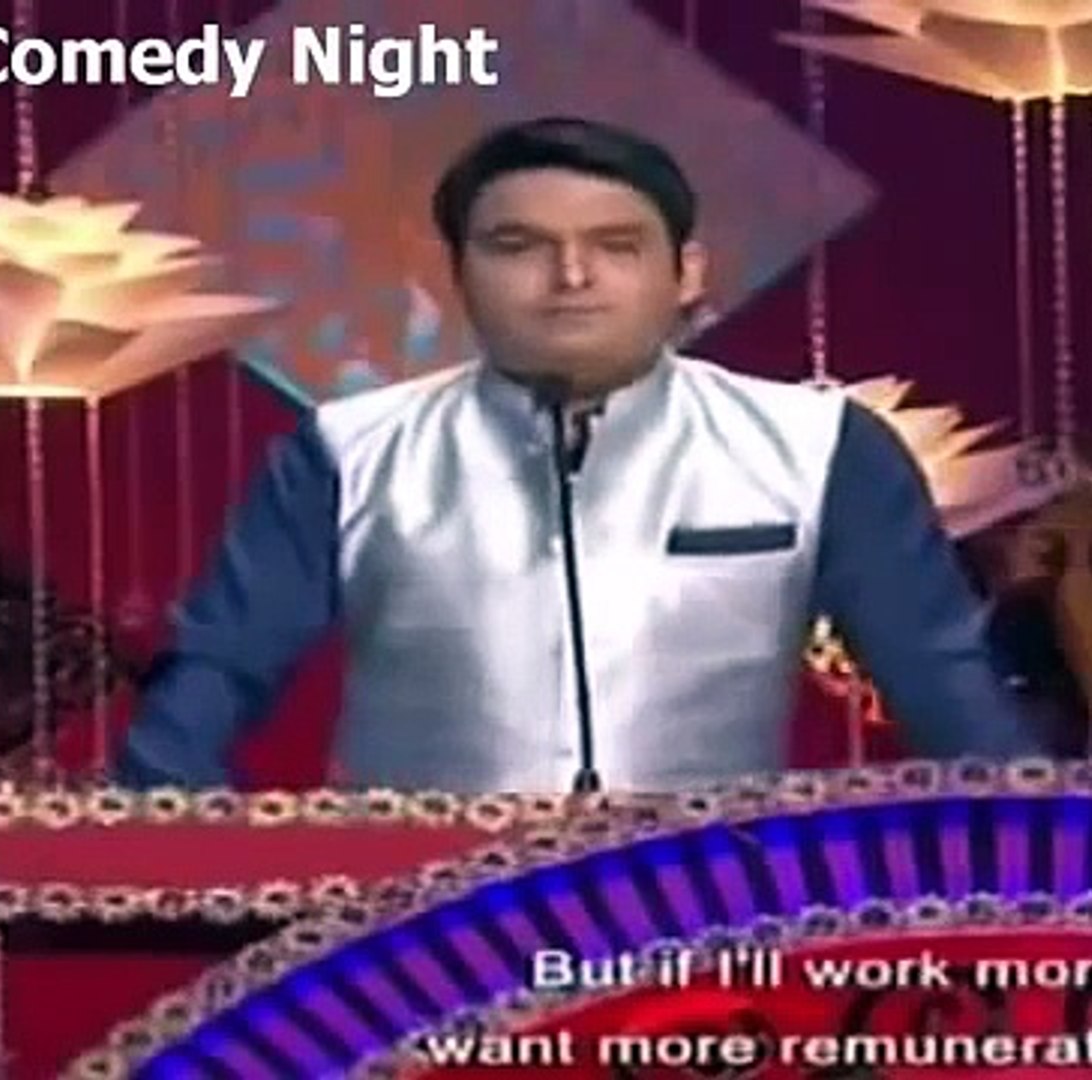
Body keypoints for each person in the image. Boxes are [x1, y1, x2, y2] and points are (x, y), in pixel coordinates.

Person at [117, 116, 1042, 793]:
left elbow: (945, 688)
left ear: (686, 272)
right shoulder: (346, 452)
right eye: (518, 246)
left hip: (715, 915)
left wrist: (1037, 861)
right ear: (454, 273)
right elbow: (213, 680)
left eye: (616, 246)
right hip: (411, 934)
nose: (570, 278)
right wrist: (187, 866)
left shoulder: (820, 446)